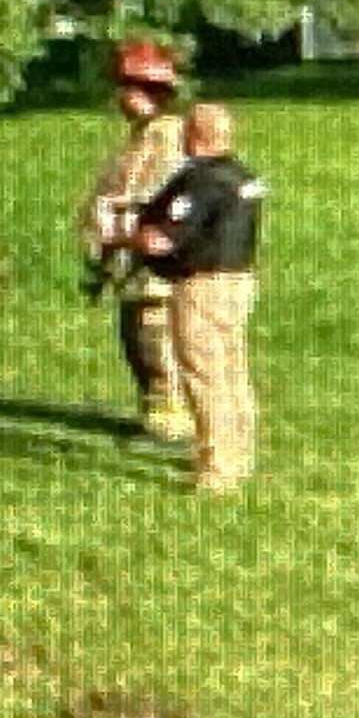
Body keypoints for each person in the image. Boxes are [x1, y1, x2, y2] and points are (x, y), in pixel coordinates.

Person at [128, 100, 267, 493]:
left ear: (194, 135)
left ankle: (217, 468)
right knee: (231, 369)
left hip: (201, 287)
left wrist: (124, 236)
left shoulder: (200, 182)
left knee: (203, 374)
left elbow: (161, 240)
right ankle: (240, 452)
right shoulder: (242, 177)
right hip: (239, 281)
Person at [78, 38, 191, 442]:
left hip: (155, 263)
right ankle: (154, 409)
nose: (121, 98)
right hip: (130, 259)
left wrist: (118, 219)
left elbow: (149, 194)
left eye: (127, 89)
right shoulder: (140, 138)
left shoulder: (168, 137)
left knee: (155, 339)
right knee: (134, 337)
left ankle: (173, 416)